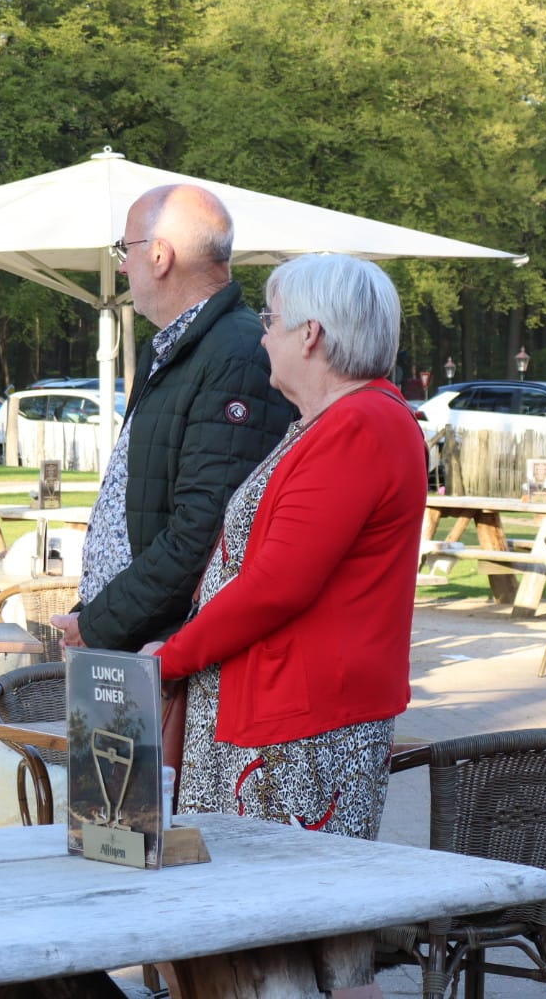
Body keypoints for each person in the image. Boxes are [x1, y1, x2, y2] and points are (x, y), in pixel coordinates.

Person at [145, 253, 427, 999]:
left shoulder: (359, 425)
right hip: (283, 716)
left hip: (298, 728)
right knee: (307, 947)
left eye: (270, 321)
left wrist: (172, 657)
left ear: (311, 334)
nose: (261, 335)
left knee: (282, 944)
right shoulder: (339, 420)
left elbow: (277, 585)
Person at [51, 184, 295, 652]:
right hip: (136, 633)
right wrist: (98, 613)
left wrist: (102, 622)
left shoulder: (237, 354)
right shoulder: (178, 347)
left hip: (165, 650)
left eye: (126, 249)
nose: (123, 266)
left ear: (160, 255)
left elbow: (203, 530)